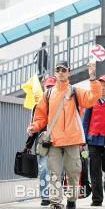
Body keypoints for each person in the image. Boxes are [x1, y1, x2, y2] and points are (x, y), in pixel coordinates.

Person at [27, 61, 101, 209]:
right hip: (53, 141)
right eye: (58, 70)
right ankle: (55, 202)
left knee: (73, 173)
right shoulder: (48, 94)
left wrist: (92, 77)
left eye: (63, 70)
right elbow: (41, 116)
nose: (60, 72)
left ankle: (72, 200)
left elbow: (93, 97)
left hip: (72, 140)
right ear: (55, 73)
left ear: (69, 72)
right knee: (54, 173)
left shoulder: (75, 91)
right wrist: (34, 127)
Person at [82, 75, 105, 207]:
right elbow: (85, 121)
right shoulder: (92, 101)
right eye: (100, 85)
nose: (102, 88)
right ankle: (97, 199)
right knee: (95, 170)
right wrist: (83, 140)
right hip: (93, 141)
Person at [25, 76, 56, 207]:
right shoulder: (37, 106)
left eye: (51, 86)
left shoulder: (61, 103)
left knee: (57, 170)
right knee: (44, 169)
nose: (49, 89)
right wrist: (28, 143)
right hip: (42, 143)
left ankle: (56, 195)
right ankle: (45, 196)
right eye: (47, 87)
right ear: (44, 88)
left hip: (58, 141)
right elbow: (33, 126)